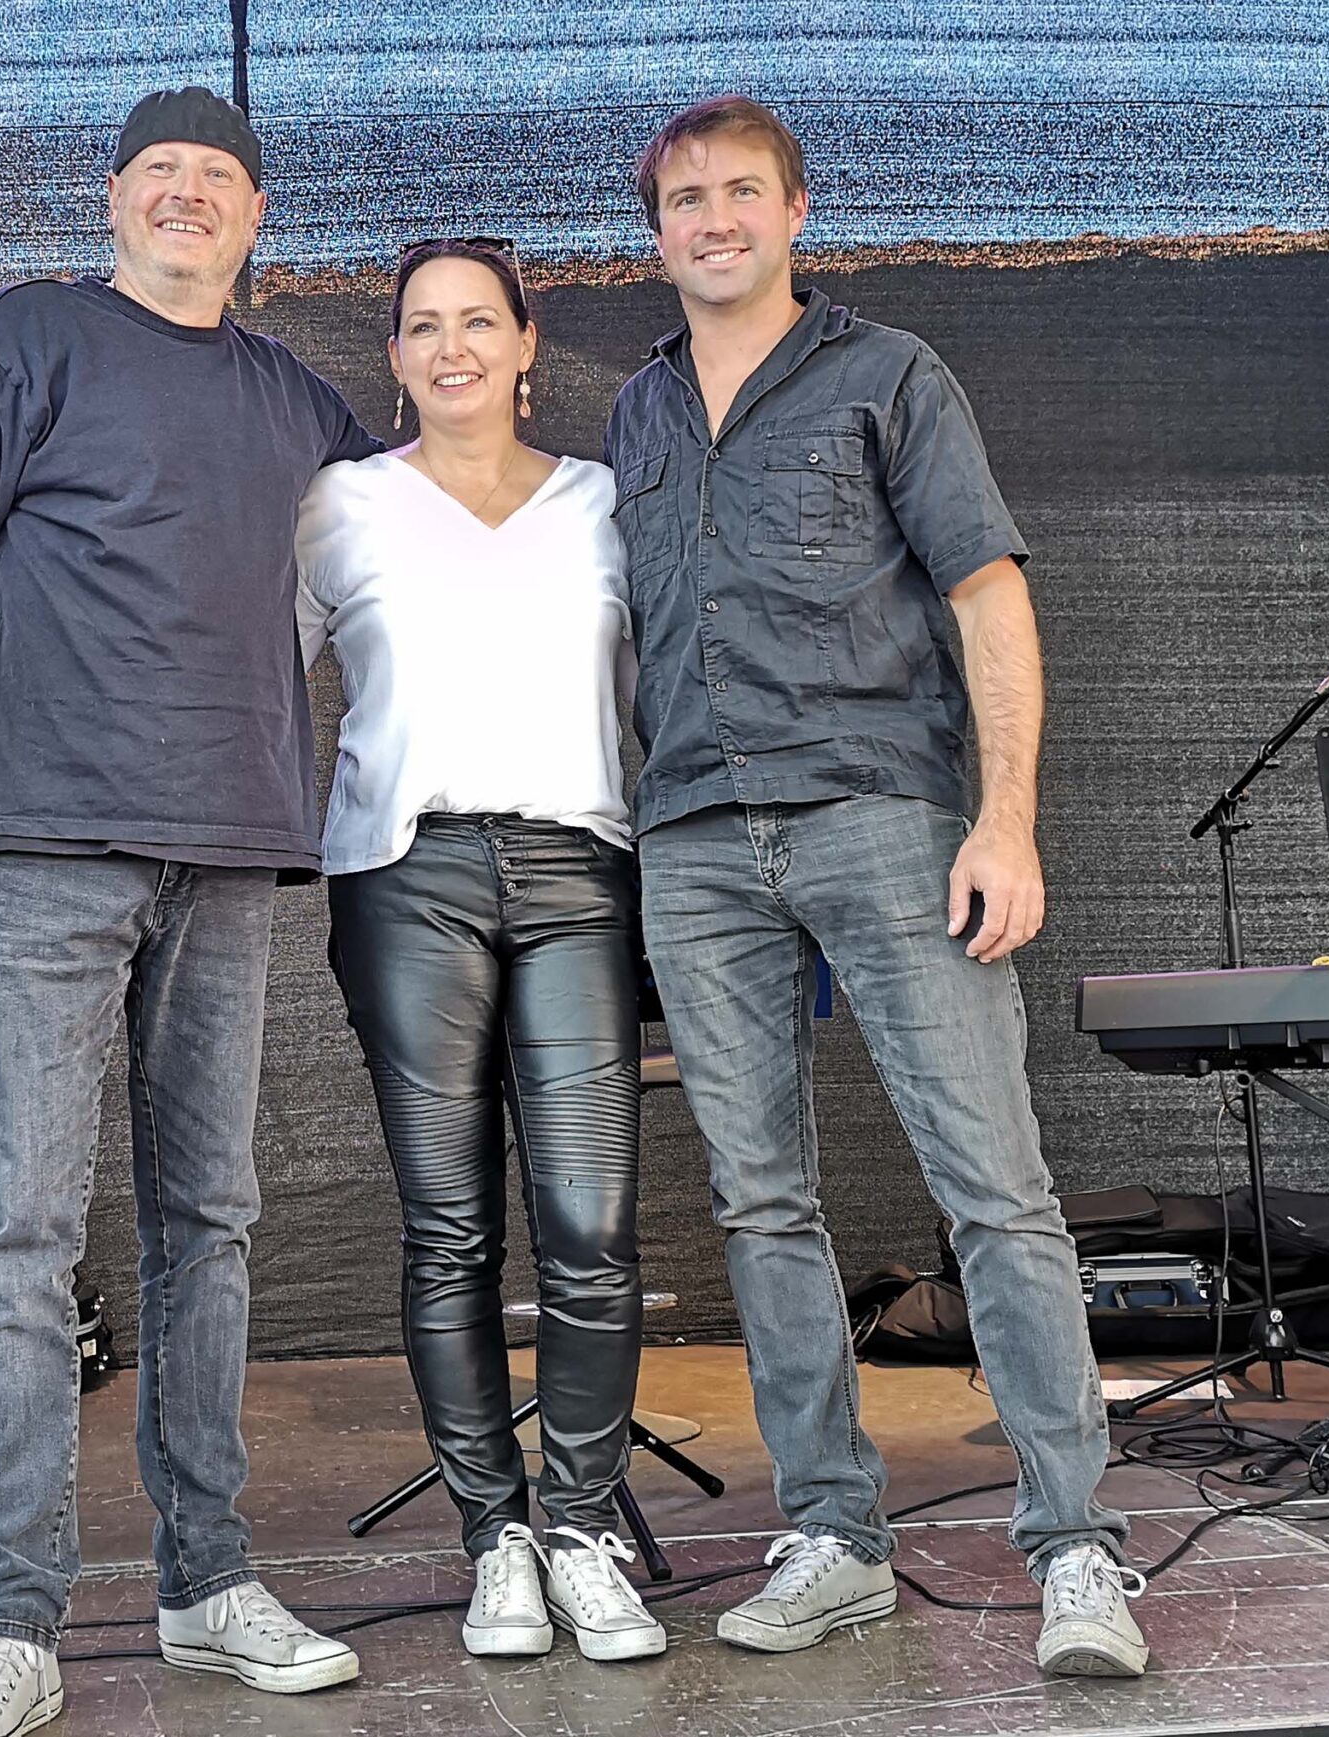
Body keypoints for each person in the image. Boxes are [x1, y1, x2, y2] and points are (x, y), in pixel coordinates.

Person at [0, 88, 381, 1737]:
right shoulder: (23, 339)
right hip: (45, 849)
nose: (188, 193)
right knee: (25, 1234)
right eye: (161, 169)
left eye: (219, 175)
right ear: (112, 197)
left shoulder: (301, 401)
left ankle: (207, 1579)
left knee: (209, 1221)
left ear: (256, 217)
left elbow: (393, 583)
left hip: (230, 854)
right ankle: (13, 1619)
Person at [603, 95, 1150, 1679]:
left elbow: (987, 593)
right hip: (695, 840)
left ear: (795, 211)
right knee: (760, 1200)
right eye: (686, 199)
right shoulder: (635, 415)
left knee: (993, 1186)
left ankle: (1076, 1548)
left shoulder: (889, 374)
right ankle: (835, 1534)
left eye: (741, 191)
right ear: (657, 232)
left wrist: (1006, 821)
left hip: (885, 820)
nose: (714, 219)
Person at [294, 239, 664, 1663]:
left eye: (477, 322)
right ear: (395, 357)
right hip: (407, 877)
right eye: (422, 327)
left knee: (590, 1222)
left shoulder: (604, 503)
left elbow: (661, 691)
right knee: (448, 1226)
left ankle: (579, 1529)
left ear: (525, 343)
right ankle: (493, 1538)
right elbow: (257, 677)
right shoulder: (342, 504)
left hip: (578, 870)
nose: (451, 347)